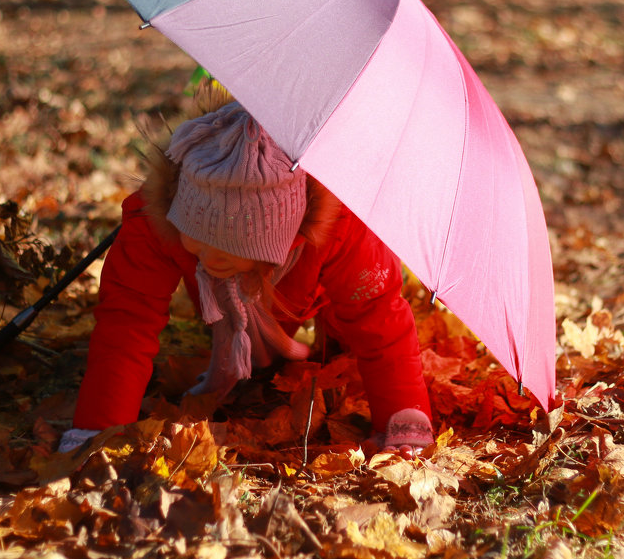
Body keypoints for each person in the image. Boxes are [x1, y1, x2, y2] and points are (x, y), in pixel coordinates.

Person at [58, 96, 433, 456]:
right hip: (225, 298)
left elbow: (378, 313)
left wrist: (403, 412)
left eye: (229, 249)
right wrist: (100, 427)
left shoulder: (341, 224)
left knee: (341, 333)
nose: (210, 257)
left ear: (279, 239)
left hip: (309, 282)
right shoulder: (157, 218)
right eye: (200, 243)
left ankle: (324, 333)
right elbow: (128, 319)